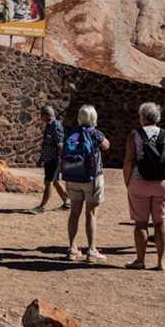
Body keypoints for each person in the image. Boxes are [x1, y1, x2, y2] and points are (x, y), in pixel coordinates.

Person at [123, 102, 165, 271]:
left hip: (139, 182)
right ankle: (160, 262)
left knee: (140, 223)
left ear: (142, 117)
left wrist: (128, 182)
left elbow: (128, 161)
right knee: (161, 222)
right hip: (163, 184)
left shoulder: (135, 135)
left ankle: (140, 260)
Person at [62, 105, 110, 262]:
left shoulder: (72, 133)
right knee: (91, 213)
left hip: (73, 176)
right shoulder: (95, 133)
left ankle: (72, 248)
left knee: (74, 212)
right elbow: (106, 145)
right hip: (91, 177)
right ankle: (91, 250)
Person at [31, 105, 70, 213]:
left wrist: (61, 160)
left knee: (48, 182)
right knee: (55, 181)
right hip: (49, 159)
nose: (40, 117)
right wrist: (41, 159)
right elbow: (47, 144)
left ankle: (41, 207)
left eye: (41, 115)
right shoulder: (49, 125)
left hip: (54, 159)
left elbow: (60, 144)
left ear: (47, 115)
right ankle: (67, 202)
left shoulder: (55, 126)